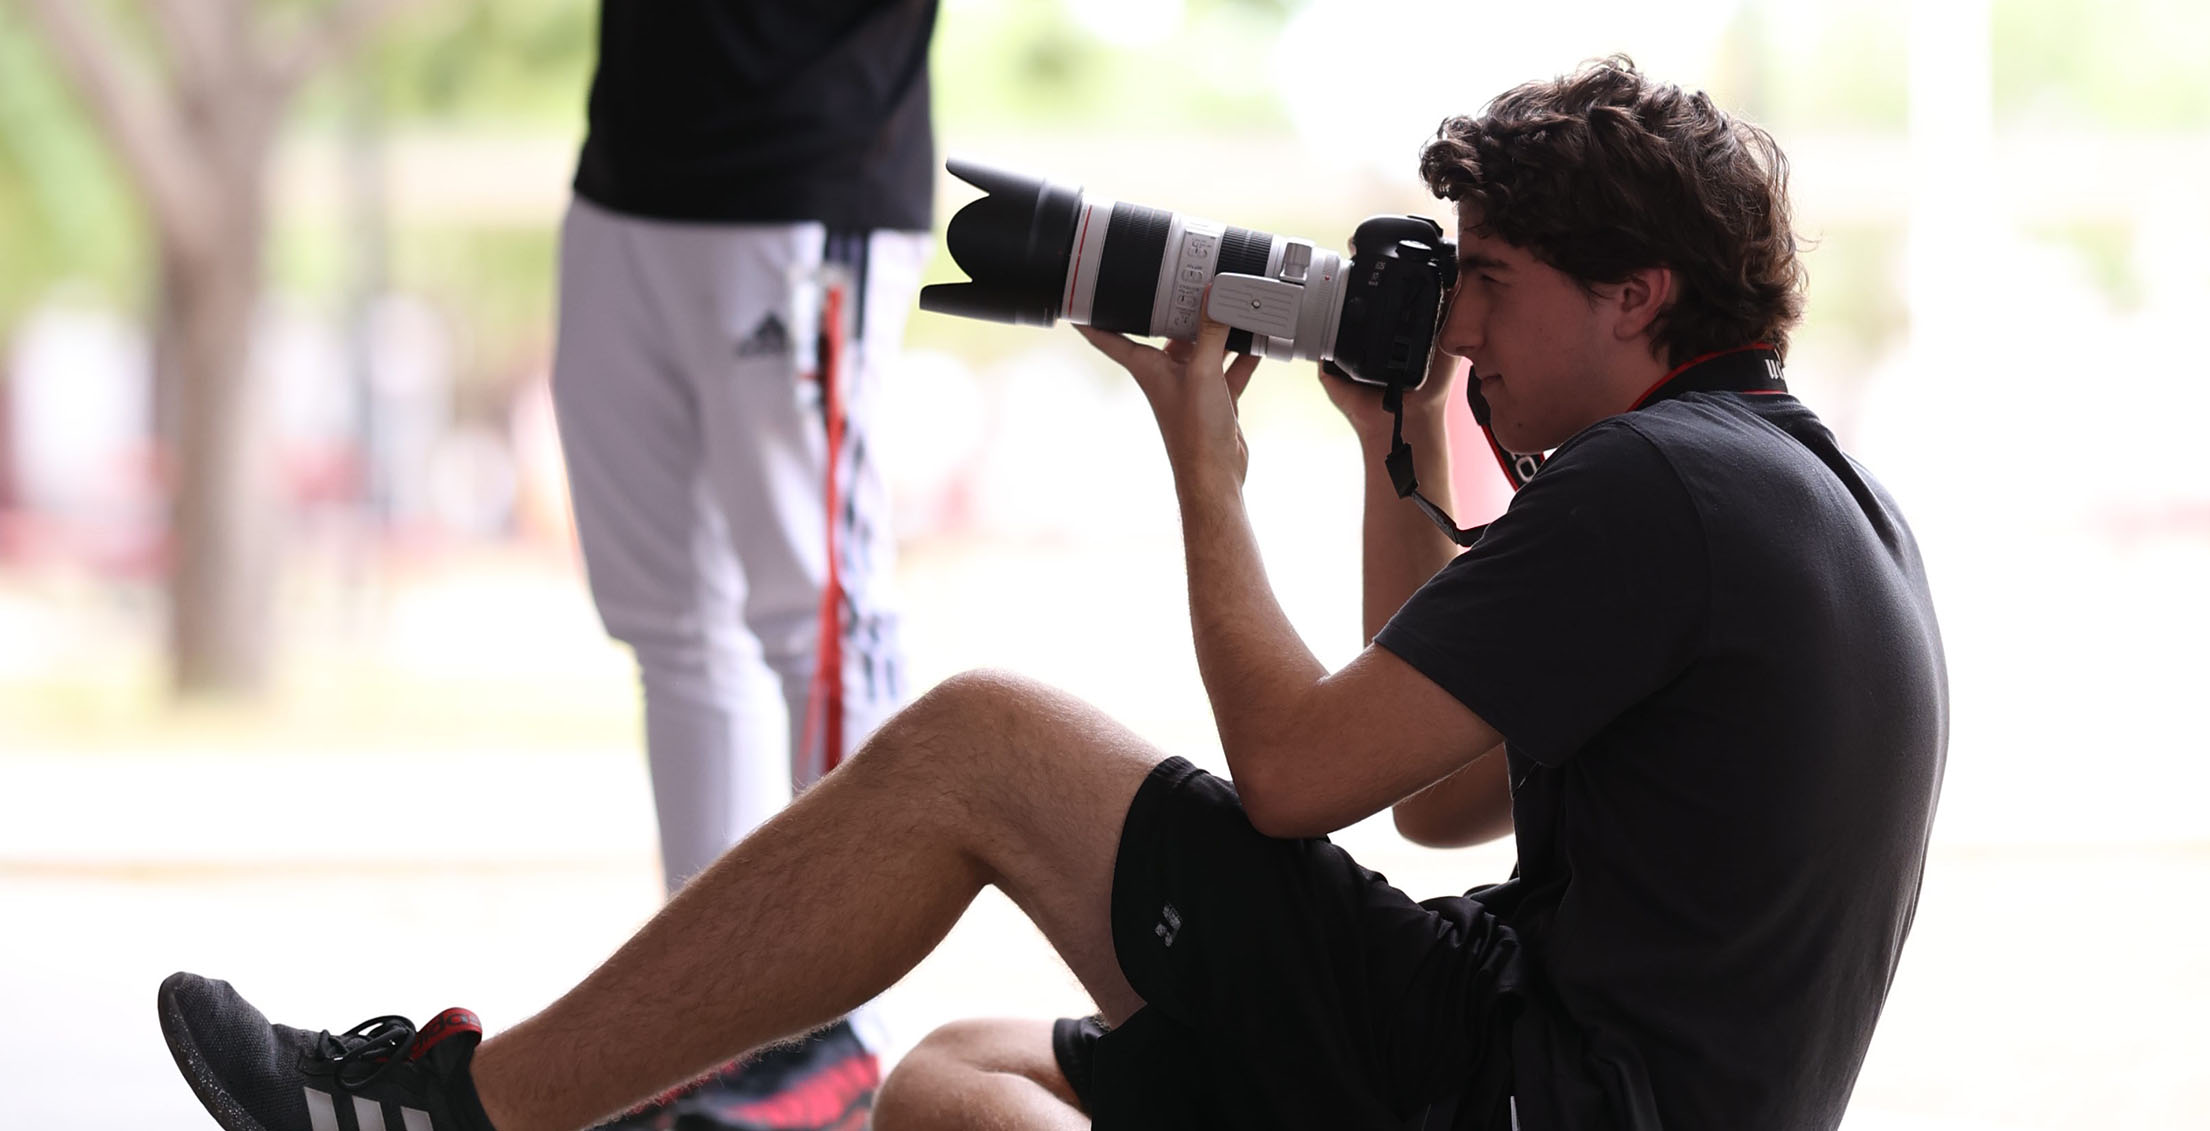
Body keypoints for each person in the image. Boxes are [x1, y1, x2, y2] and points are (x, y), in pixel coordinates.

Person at [156, 57, 1947, 1131]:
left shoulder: (1658, 489)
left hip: (1518, 1095)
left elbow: (1301, 778)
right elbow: (1443, 798)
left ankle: (455, 1114)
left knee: (984, 747)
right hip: (1527, 1064)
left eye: (1492, 283)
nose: (1462, 326)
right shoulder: (1769, 483)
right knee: (946, 1088)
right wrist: (1391, 456)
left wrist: (1203, 459)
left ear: (1638, 294)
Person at [544, 1, 938, 1125]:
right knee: (669, 629)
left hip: (806, 170)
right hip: (625, 175)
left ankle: (834, 1033)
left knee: (819, 619)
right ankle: (705, 1035)